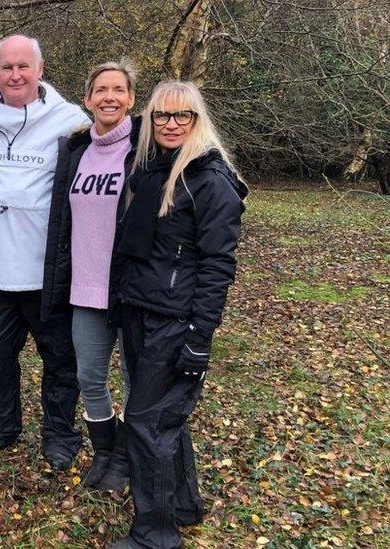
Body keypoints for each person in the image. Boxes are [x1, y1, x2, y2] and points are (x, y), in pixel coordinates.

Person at [110, 80, 247, 549]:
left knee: (148, 422)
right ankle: (181, 505)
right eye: (161, 116)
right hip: (140, 310)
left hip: (176, 319)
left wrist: (200, 336)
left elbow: (218, 264)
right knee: (163, 419)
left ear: (197, 120)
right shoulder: (148, 169)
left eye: (181, 116)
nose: (170, 124)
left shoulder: (211, 180)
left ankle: (156, 534)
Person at [0, 35, 89, 470]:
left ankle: (59, 434)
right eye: (6, 67)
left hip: (48, 272)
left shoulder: (71, 121)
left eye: (23, 66)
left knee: (60, 359)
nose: (14, 75)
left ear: (40, 68)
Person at [41, 60, 139, 490]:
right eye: (101, 90)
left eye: (118, 90)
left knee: (135, 383)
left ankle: (126, 459)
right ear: (87, 100)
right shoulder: (76, 149)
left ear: (132, 99)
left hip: (131, 290)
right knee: (89, 378)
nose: (110, 97)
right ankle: (103, 452)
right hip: (85, 287)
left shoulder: (146, 148)